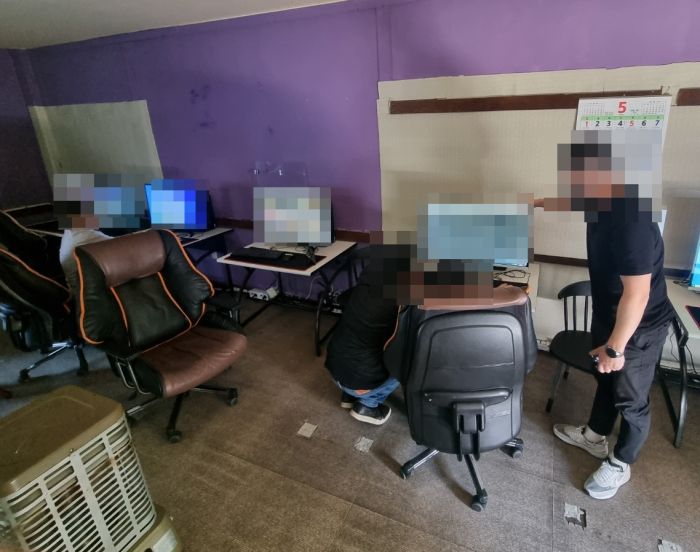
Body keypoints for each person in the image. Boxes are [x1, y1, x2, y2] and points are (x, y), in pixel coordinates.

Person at [535, 133, 674, 499]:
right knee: (606, 381)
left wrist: (615, 347)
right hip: (609, 314)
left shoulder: (631, 221)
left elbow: (638, 294)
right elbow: (570, 201)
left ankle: (621, 463)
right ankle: (594, 436)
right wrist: (532, 203)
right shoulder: (603, 196)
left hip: (638, 327)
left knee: (631, 400)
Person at [325, 265, 401, 425]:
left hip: (334, 366)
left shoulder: (373, 268)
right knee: (411, 355)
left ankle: (349, 395)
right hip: (362, 379)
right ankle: (368, 405)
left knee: (367, 335)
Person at [59, 228, 112, 293]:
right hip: (88, 294)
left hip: (80, 291)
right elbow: (121, 245)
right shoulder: (85, 236)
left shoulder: (71, 234)